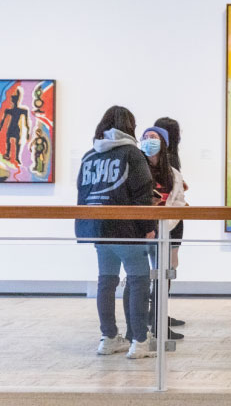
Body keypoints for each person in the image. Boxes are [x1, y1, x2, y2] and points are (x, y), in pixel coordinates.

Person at [75, 105, 156, 359]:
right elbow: (143, 193)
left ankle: (108, 337)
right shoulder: (131, 154)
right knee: (138, 280)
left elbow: (82, 193)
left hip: (98, 228)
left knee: (106, 281)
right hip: (126, 228)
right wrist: (148, 227)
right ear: (129, 126)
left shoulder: (90, 156)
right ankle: (140, 341)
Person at [139, 126, 187, 341]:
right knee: (142, 277)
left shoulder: (173, 173)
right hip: (144, 230)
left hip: (170, 229)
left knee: (165, 275)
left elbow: (178, 200)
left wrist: (168, 219)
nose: (149, 141)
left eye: (154, 137)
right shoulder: (137, 167)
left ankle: (158, 321)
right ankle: (143, 325)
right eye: (146, 137)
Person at [153, 117, 187, 330]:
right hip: (170, 223)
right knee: (166, 269)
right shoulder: (170, 159)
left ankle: (159, 315)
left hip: (169, 220)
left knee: (164, 269)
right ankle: (158, 316)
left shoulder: (167, 158)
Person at [0, 89, 30, 164]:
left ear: (13, 101)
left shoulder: (15, 111)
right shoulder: (11, 110)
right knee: (10, 141)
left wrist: (27, 133)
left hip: (14, 127)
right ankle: (9, 154)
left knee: (15, 142)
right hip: (12, 127)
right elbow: (2, 121)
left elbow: (26, 123)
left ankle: (15, 157)